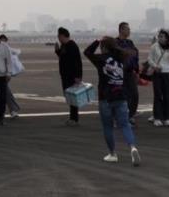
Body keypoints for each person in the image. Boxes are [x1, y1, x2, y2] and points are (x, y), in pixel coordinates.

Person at [84, 37, 141, 166]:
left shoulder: (101, 59)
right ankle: (132, 147)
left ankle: (112, 153)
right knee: (125, 124)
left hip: (105, 98)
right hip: (120, 96)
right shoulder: (121, 59)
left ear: (104, 48)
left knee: (108, 126)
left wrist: (97, 40)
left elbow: (87, 52)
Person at [148, 29, 169, 126]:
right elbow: (150, 59)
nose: (160, 38)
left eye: (162, 36)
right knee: (158, 95)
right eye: (159, 36)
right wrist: (155, 66)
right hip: (157, 73)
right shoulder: (154, 46)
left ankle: (168, 118)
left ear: (167, 38)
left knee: (168, 96)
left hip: (167, 73)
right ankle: (157, 117)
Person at [56, 27, 83, 125]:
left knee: (73, 98)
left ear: (62, 36)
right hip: (65, 76)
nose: (58, 38)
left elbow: (77, 62)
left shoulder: (72, 46)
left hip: (72, 76)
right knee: (69, 97)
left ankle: (74, 118)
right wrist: (57, 51)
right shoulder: (64, 45)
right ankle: (72, 117)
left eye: (59, 36)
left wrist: (78, 76)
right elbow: (63, 57)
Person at [116, 22, 140, 124]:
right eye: (127, 29)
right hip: (119, 73)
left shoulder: (130, 43)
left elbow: (135, 56)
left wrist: (137, 71)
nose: (129, 31)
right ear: (121, 30)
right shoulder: (115, 42)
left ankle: (130, 115)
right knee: (121, 96)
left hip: (130, 73)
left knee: (134, 95)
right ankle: (119, 117)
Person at [0, 34, 22, 118]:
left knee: (5, 92)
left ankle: (12, 110)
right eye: (1, 40)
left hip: (4, 75)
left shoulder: (7, 49)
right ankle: (11, 110)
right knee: (3, 93)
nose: (3, 42)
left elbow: (17, 52)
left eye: (4, 40)